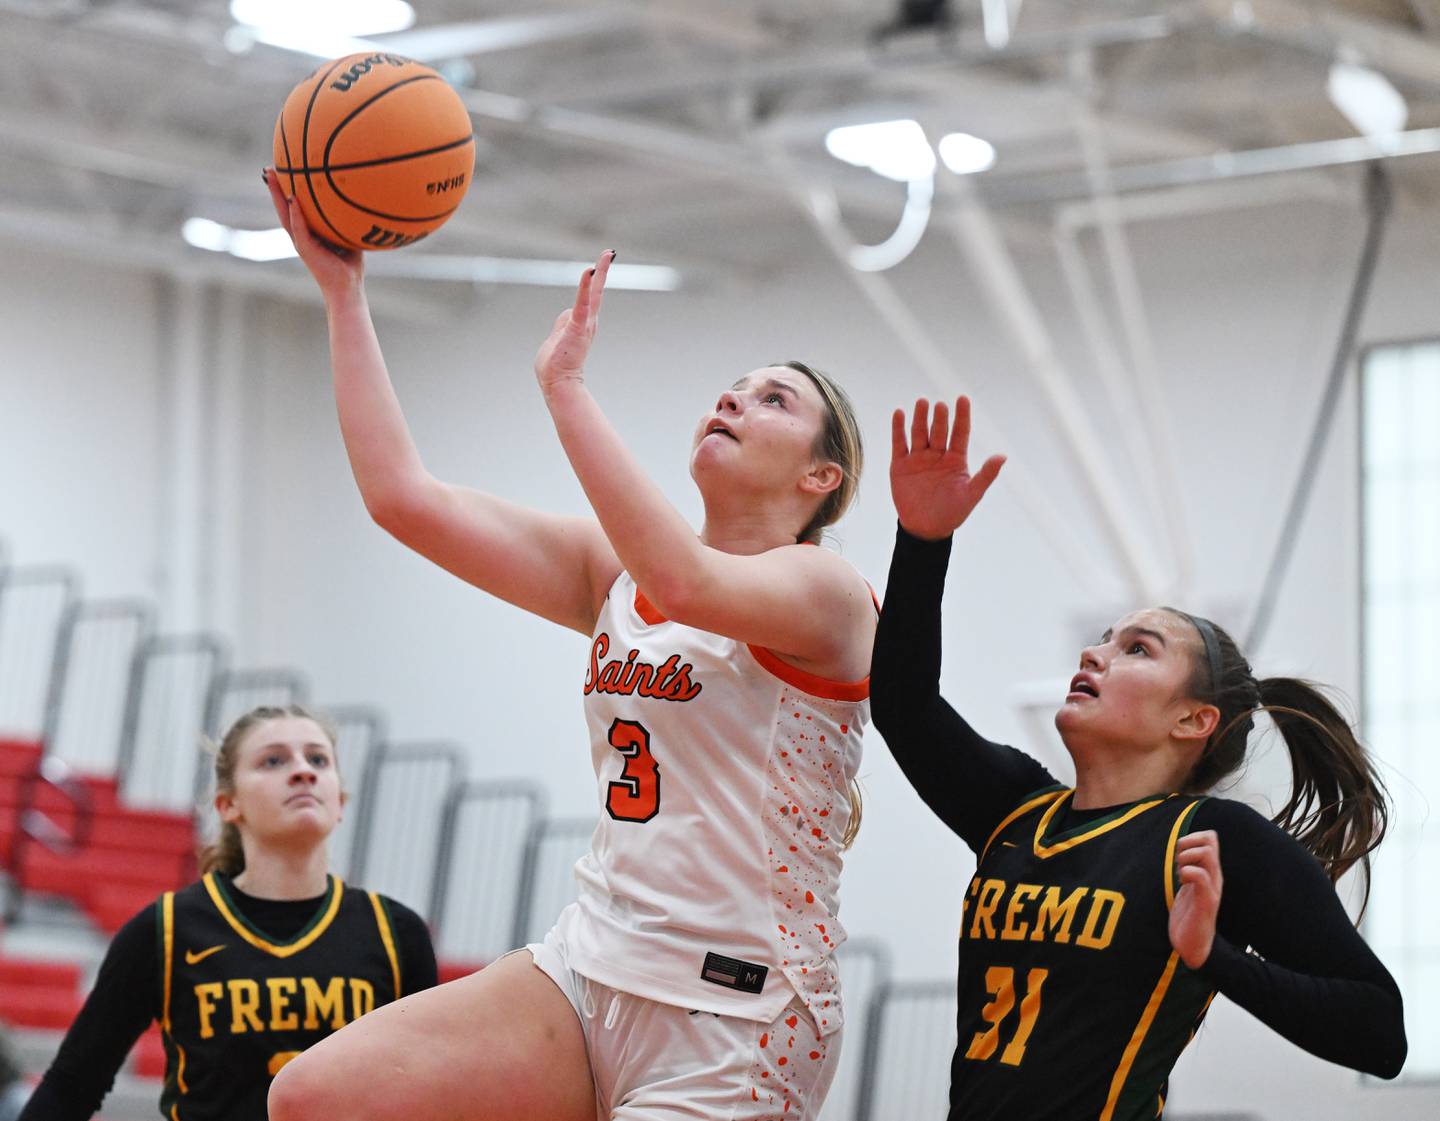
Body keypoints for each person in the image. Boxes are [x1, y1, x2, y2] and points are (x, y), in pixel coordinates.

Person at [260, 170, 875, 1121]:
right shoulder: (614, 572)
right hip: (588, 964)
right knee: (315, 1096)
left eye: (775, 401)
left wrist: (565, 389)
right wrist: (345, 293)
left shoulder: (826, 591)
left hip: (739, 1012)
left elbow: (691, 585)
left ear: (819, 476)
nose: (736, 399)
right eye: (734, 388)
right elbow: (403, 498)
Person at [871, 397, 1407, 1121]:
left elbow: (1380, 1032)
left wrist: (1213, 957)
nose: (1095, 652)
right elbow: (903, 704)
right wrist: (923, 539)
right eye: (1104, 636)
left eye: (1137, 649)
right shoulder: (1017, 810)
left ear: (1194, 718)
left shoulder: (1210, 839)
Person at [18, 704, 437, 1121]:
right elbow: (72, 1085)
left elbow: (433, 1091)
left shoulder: (395, 933)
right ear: (227, 805)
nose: (303, 771)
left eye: (318, 759)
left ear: (340, 801)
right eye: (273, 760)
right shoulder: (165, 930)